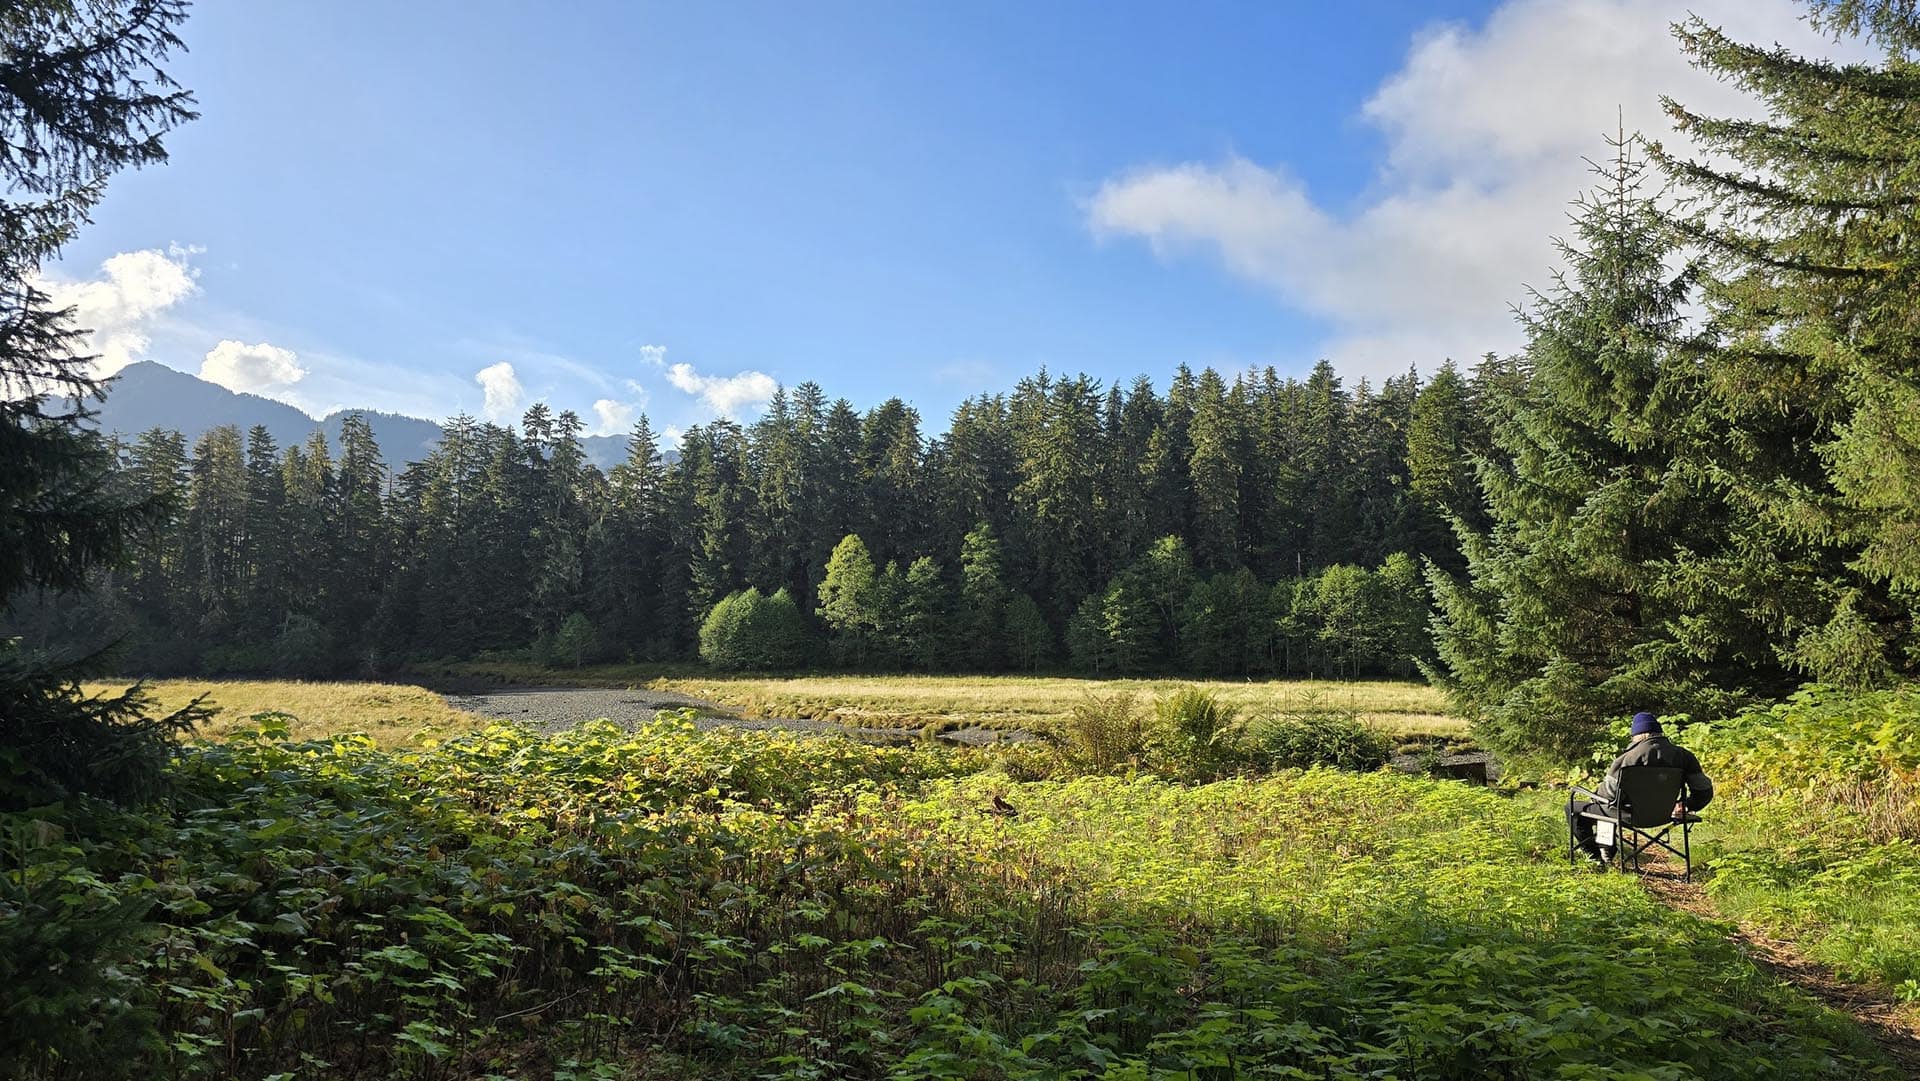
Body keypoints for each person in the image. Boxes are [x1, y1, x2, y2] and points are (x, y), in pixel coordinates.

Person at [1569, 711, 1713, 863]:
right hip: (1664, 815)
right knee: (1608, 808)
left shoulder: (1626, 759)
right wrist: (1686, 804)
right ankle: (1606, 848)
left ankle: (1596, 855)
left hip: (1628, 816)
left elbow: (1608, 797)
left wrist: (1596, 794)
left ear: (1638, 735)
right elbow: (1704, 791)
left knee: (1575, 807)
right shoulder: (1684, 756)